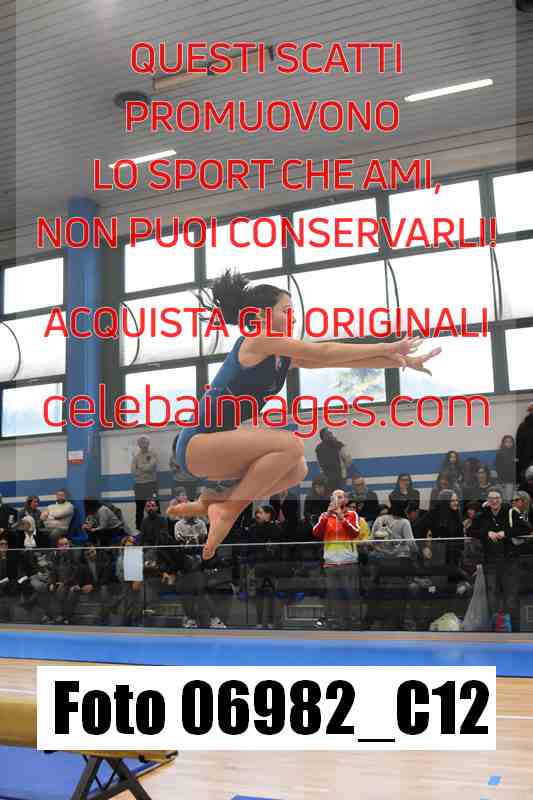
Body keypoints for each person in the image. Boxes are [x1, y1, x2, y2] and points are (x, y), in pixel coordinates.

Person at [168, 268, 441, 559]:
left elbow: (333, 360)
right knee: (291, 445)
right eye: (286, 311)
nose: (294, 318)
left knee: (296, 468)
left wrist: (401, 360)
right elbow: (325, 351)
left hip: (215, 448)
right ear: (260, 316)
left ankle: (212, 501)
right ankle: (228, 510)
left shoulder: (280, 355)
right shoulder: (257, 340)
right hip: (196, 443)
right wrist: (389, 345)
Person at [312, 489, 366, 630]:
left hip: (348, 561)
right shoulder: (324, 516)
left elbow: (355, 533)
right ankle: (338, 622)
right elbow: (316, 533)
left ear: (345, 500)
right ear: (331, 499)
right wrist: (326, 515)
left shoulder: (352, 514)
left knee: (351, 593)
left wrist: (342, 518)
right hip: (330, 562)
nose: (338, 499)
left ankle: (355, 622)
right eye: (335, 497)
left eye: (341, 497)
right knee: (334, 595)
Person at [131, 435, 159, 531]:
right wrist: (146, 468)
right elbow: (134, 472)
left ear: (148, 443)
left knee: (155, 506)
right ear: (138, 445)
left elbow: (150, 467)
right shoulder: (136, 456)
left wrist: (140, 467)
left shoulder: (153, 454)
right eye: (141, 443)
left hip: (152, 484)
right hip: (139, 485)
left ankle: (157, 528)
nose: (143, 445)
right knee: (139, 508)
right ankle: (139, 530)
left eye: (145, 442)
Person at [315, 428, 352, 494]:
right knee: (333, 496)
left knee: (339, 496)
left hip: (338, 477)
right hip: (329, 478)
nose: (330, 435)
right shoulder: (319, 449)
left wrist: (343, 469)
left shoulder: (339, 445)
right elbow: (319, 464)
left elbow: (348, 459)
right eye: (327, 434)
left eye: (330, 433)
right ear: (322, 437)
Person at [495, 435, 517, 503]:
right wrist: (501, 481)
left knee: (514, 500)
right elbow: (498, 468)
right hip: (505, 481)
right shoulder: (500, 453)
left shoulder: (515, 452)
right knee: (507, 501)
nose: (509, 443)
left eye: (510, 442)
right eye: (506, 442)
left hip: (514, 481)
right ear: (503, 443)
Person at [516, 402, 533, 483]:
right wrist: (521, 462)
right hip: (526, 462)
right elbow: (519, 445)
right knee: (527, 484)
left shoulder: (522, 426)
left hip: (526, 461)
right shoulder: (522, 426)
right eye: (531, 410)